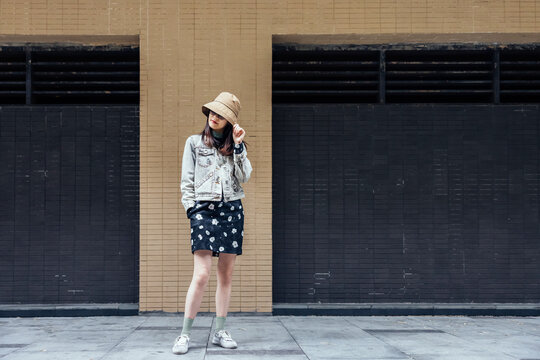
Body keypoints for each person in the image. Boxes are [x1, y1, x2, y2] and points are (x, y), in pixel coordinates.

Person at [172, 91, 252, 355]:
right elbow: (186, 182)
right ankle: (184, 334)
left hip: (231, 210)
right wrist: (192, 210)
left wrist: (239, 146)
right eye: (213, 113)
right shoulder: (194, 143)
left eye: (221, 115)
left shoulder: (235, 146)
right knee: (202, 274)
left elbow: (245, 177)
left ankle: (220, 330)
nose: (215, 118)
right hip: (204, 212)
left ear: (230, 121)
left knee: (225, 274)